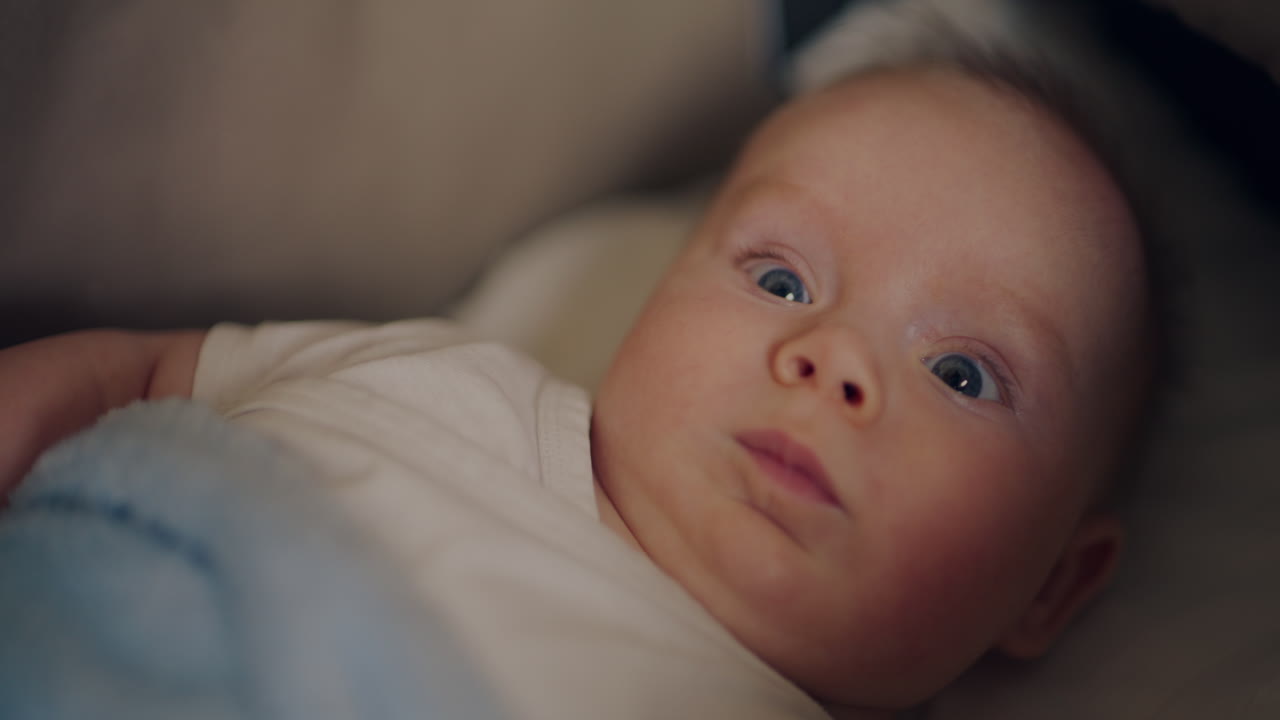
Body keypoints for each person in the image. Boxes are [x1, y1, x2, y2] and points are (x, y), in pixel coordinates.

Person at [0, 59, 1156, 719]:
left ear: (1050, 586)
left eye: (960, 373)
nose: (833, 358)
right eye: (778, 278)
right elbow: (134, 374)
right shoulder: (430, 376)